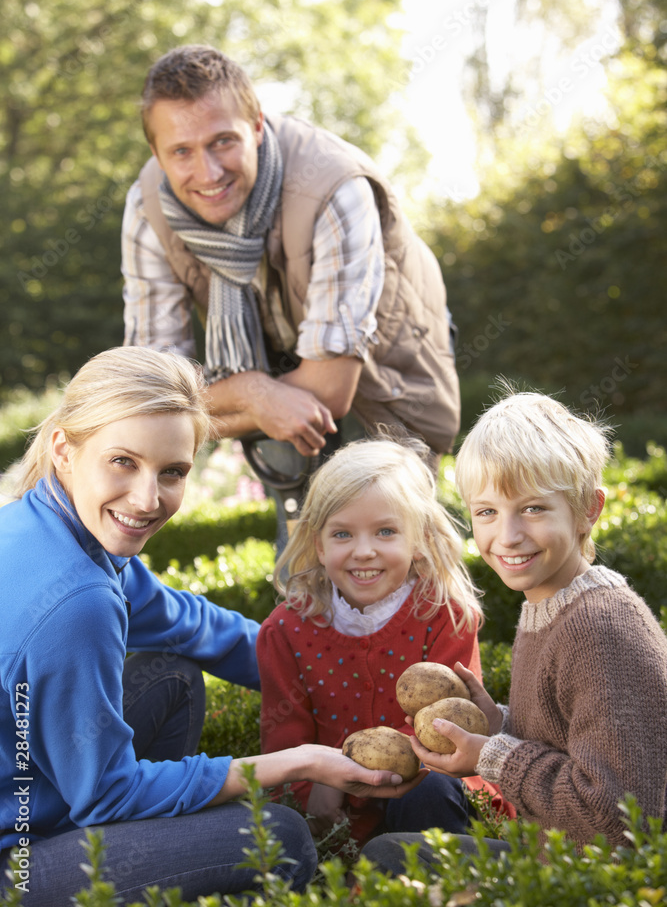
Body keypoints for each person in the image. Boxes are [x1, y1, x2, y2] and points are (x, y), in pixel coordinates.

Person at [0, 347, 423, 906]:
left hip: (31, 789)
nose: (148, 499)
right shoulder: (79, 600)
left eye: (171, 471)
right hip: (18, 865)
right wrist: (297, 761)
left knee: (171, 676)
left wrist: (335, 678)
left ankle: (150, 853)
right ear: (64, 449)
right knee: (281, 838)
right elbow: (105, 793)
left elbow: (193, 627)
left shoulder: (43, 521)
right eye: (122, 462)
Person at [121, 44, 460, 544]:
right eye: (182, 152)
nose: (209, 172)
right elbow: (151, 395)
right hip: (279, 374)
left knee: (386, 553)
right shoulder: (147, 210)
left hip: (384, 377)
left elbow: (329, 389)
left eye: (222, 142)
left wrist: (238, 397)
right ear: (157, 154)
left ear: (257, 125)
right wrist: (253, 395)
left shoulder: (334, 187)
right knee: (302, 560)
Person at [363, 391, 667, 874]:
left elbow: (621, 818)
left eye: (532, 509)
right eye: (486, 512)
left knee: (390, 862)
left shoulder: (601, 627)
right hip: (557, 858)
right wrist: (500, 723)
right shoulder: (549, 606)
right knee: (391, 853)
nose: (506, 536)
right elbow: (566, 743)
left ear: (589, 508)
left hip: (597, 878)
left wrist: (494, 757)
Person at [257, 436, 490, 850]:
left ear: (419, 540)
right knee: (271, 824)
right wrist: (317, 785)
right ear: (318, 544)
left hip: (431, 789)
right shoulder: (285, 631)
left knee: (428, 792)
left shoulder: (445, 617)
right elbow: (283, 740)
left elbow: (451, 725)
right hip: (335, 813)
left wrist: (357, 772)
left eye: (385, 531)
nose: (364, 552)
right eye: (343, 534)